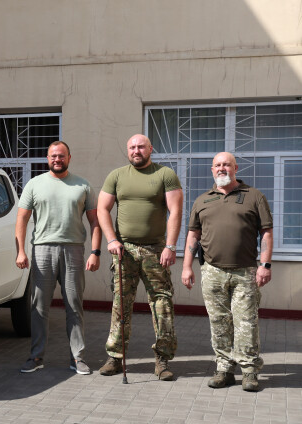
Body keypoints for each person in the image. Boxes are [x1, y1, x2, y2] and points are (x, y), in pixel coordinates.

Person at [181, 152, 272, 392]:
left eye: (227, 164)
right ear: (212, 170)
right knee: (219, 322)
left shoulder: (254, 197)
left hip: (245, 272)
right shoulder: (202, 200)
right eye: (218, 165)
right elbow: (193, 235)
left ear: (235, 168)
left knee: (246, 322)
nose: (222, 168)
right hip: (212, 271)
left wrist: (265, 265)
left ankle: (249, 371)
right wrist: (187, 266)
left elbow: (266, 233)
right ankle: (224, 369)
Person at [97, 134, 183, 380]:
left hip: (156, 250)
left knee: (162, 303)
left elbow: (175, 210)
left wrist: (171, 245)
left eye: (141, 147)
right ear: (128, 150)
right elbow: (103, 208)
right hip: (123, 250)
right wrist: (111, 240)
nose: (136, 151)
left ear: (150, 149)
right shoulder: (117, 175)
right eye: (132, 147)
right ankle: (115, 357)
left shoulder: (165, 174)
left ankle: (162, 360)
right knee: (120, 304)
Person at [16, 141, 102, 374]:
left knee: (74, 305)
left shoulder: (83, 185)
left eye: (61, 156)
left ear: (69, 158)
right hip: (42, 250)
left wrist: (95, 252)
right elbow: (22, 219)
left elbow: (95, 221)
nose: (57, 159)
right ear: (47, 158)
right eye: (53, 155)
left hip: (73, 250)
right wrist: (21, 251)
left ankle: (77, 357)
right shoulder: (35, 184)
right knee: (39, 307)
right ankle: (36, 357)